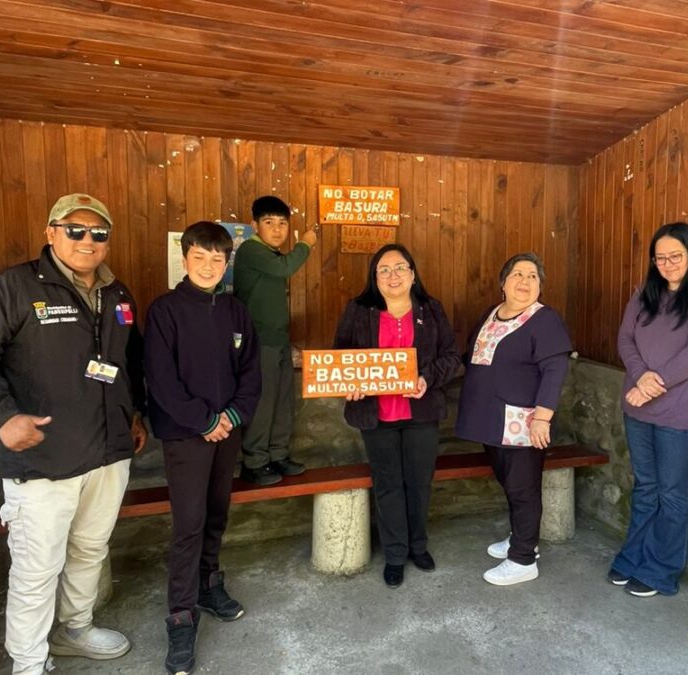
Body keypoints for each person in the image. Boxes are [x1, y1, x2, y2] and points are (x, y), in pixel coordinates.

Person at [0, 193, 147, 675]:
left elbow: (126, 363)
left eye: (98, 233)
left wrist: (133, 413)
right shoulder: (12, 289)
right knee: (37, 568)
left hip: (108, 452)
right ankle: (29, 661)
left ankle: (75, 628)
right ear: (50, 233)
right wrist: (0, 416)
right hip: (42, 459)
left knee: (90, 549)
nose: (87, 240)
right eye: (74, 229)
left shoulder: (119, 294)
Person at [144, 221, 262, 675]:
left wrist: (232, 416)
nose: (210, 266)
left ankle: (210, 585)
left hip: (226, 432)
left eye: (219, 258)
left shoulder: (235, 312)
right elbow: (161, 378)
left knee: (217, 512)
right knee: (188, 524)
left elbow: (251, 372)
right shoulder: (166, 311)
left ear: (226, 262)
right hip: (185, 434)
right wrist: (204, 420)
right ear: (185, 256)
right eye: (201, 257)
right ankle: (180, 615)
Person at [609, 222, 688, 598]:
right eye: (660, 257)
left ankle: (661, 570)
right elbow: (625, 338)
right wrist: (641, 376)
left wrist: (650, 387)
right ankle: (633, 557)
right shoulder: (646, 291)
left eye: (675, 256)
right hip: (639, 408)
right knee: (645, 487)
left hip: (684, 410)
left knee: (671, 492)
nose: (667, 264)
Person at [333, 244, 460, 588]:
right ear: (374, 278)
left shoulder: (431, 310)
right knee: (388, 484)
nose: (393, 275)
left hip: (420, 412)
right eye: (384, 269)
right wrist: (351, 383)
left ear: (413, 274)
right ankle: (394, 553)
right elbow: (341, 357)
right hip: (376, 414)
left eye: (400, 267)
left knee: (419, 483)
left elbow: (451, 357)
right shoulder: (359, 311)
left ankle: (418, 546)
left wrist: (426, 378)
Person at [456, 252, 573, 586]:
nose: (525, 281)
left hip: (522, 420)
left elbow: (555, 369)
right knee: (508, 481)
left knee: (523, 487)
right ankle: (521, 536)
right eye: (518, 274)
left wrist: (543, 418)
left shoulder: (544, 320)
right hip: (488, 418)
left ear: (540, 286)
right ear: (503, 282)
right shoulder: (491, 315)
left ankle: (523, 558)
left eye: (533, 276)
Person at [233, 195, 316, 485]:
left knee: (283, 402)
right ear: (255, 225)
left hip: (278, 340)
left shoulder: (270, 254)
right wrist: (306, 243)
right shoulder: (251, 250)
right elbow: (285, 269)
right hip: (258, 342)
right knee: (264, 402)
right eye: (269, 223)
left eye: (282, 223)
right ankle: (255, 461)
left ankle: (278, 456)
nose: (277, 229)